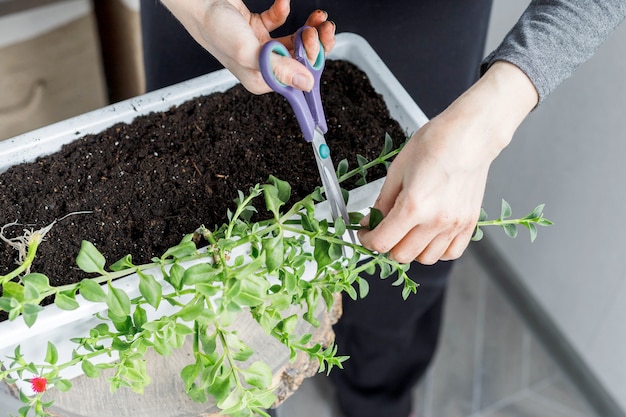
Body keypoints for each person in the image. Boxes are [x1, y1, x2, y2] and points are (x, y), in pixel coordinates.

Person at [139, 1, 626, 417]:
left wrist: (487, 123)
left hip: (424, 26)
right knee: (220, 306)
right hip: (219, 23)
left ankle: (377, 402)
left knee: (398, 290)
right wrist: (201, 11)